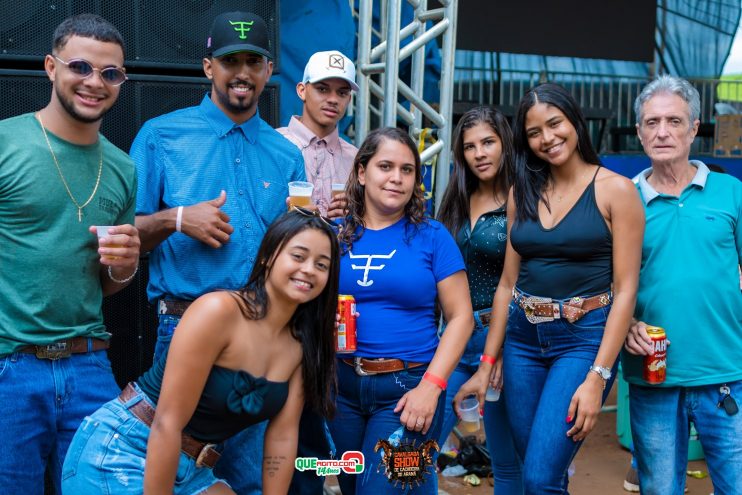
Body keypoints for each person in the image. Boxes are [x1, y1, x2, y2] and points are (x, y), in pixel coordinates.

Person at [131, 11, 305, 494]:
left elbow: (292, 247)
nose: (243, 73)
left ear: (270, 71)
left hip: (261, 337)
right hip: (183, 329)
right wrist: (179, 218)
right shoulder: (161, 135)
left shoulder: (286, 154)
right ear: (209, 67)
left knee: (249, 480)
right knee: (180, 475)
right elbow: (126, 235)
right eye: (231, 61)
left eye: (255, 61)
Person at [62, 210, 339, 494]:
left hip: (193, 467)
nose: (308, 270)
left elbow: (282, 436)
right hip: (124, 449)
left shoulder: (302, 345)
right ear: (268, 256)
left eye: (322, 264)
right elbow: (167, 424)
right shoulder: (218, 311)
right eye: (298, 256)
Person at [455, 83, 644, 494]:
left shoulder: (616, 190)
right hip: (522, 339)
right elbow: (507, 284)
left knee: (540, 476)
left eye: (555, 124)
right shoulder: (520, 191)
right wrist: (489, 363)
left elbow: (626, 290)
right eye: (535, 132)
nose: (547, 139)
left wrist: (598, 377)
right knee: (537, 471)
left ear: (574, 121)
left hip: (582, 340)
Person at [0, 13, 140, 494]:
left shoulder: (122, 168)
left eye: (110, 73)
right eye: (80, 66)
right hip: (10, 368)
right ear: (50, 67)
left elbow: (107, 284)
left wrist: (124, 268)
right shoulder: (6, 142)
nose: (94, 82)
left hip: (89, 366)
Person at [328, 127, 474, 494]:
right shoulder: (333, 236)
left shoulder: (433, 236)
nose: (396, 178)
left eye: (407, 170)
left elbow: (461, 318)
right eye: (386, 166)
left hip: (407, 390)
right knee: (352, 489)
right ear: (362, 173)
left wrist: (432, 387)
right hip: (340, 387)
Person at [622, 75, 742, 495]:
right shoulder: (623, 199)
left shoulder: (732, 193)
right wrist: (628, 323)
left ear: (694, 128)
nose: (662, 131)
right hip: (652, 376)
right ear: (638, 132)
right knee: (660, 490)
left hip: (726, 374)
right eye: (651, 122)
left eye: (674, 121)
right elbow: (607, 284)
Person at [436, 106, 522, 493]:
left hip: (501, 336)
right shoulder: (457, 196)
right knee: (421, 438)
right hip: (454, 336)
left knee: (506, 458)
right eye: (470, 146)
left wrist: (502, 349)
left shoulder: (522, 198)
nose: (479, 153)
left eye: (488, 142)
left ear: (505, 143)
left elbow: (525, 278)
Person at [277, 50, 359, 218]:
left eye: (342, 93)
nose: (333, 99)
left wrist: (358, 212)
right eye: (322, 89)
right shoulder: (273, 144)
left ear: (349, 100)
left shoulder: (356, 159)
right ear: (302, 90)